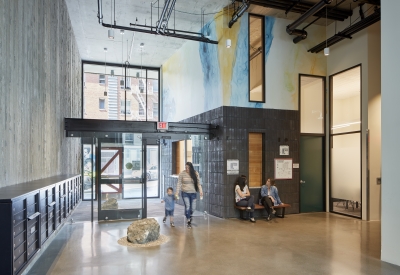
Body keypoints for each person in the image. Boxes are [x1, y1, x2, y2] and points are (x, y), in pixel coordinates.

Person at [176, 162, 203, 229]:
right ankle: (188, 221)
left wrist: (201, 191)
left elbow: (198, 184)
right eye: (186, 167)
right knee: (187, 206)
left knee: (193, 208)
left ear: (191, 167)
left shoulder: (195, 173)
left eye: (188, 167)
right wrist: (177, 191)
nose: (187, 169)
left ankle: (188, 215)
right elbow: (179, 183)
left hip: (193, 193)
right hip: (185, 193)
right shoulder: (182, 174)